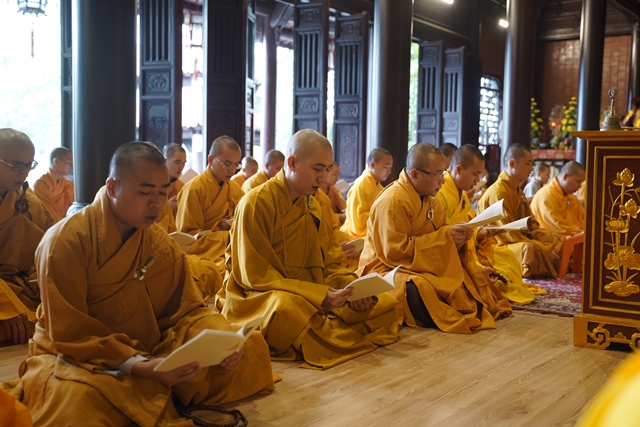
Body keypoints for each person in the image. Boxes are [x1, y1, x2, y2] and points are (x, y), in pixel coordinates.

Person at [5, 142, 274, 426]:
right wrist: (140, 366)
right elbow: (71, 333)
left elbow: (187, 309)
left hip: (150, 346)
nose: (156, 203)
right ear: (112, 187)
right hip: (80, 354)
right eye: (145, 192)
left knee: (251, 347)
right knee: (78, 401)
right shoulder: (65, 241)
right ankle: (153, 386)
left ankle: (155, 385)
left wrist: (222, 339)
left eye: (162, 192)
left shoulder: (158, 241)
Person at [217, 129, 398, 369]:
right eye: (317, 169)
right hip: (260, 294)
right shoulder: (255, 202)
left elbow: (330, 262)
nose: (323, 178)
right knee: (289, 309)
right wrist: (317, 295)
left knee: (383, 306)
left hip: (311, 288)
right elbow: (254, 276)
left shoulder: (312, 206)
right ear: (292, 163)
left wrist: (350, 288)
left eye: (327, 170)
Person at [357, 143, 512, 332]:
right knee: (421, 288)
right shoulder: (394, 200)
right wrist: (446, 237)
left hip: (420, 265)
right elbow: (394, 252)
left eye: (443, 173)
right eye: (437, 175)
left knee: (468, 277)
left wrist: (458, 238)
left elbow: (444, 236)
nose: (443, 181)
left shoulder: (431, 200)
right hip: (386, 269)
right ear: (415, 174)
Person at [435, 144, 543, 306]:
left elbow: (470, 228)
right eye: (475, 174)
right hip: (453, 256)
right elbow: (440, 236)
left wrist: (483, 233)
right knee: (493, 277)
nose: (478, 180)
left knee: (508, 260)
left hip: (470, 251)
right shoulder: (440, 193)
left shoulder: (461, 195)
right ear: (458, 169)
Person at [0, 129, 55, 345]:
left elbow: (54, 240)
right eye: (16, 166)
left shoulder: (26, 198)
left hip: (24, 286)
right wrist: (6, 306)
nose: (24, 173)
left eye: (29, 165)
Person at [478, 144, 563, 278]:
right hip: (498, 246)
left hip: (519, 238)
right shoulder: (498, 192)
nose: (532, 168)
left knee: (556, 239)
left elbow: (530, 223)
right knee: (530, 249)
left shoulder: (518, 191)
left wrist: (542, 238)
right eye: (528, 163)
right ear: (512, 164)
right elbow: (507, 234)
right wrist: (542, 248)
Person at [175, 136, 244, 275]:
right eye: (227, 164)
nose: (232, 170)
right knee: (228, 271)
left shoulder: (233, 188)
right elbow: (188, 239)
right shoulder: (194, 189)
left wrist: (231, 225)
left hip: (229, 248)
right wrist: (226, 237)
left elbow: (245, 217)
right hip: (203, 255)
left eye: (236, 165)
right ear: (211, 160)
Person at [341, 148, 393, 238]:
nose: (389, 171)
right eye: (386, 167)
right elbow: (358, 224)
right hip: (353, 237)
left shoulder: (380, 188)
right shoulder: (360, 187)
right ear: (372, 165)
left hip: (370, 234)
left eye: (390, 168)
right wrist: (382, 215)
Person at [531, 160, 585, 237]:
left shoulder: (570, 197)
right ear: (565, 177)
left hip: (573, 237)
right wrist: (581, 232)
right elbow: (557, 228)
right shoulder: (547, 196)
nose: (580, 186)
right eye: (578, 182)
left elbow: (583, 219)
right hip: (551, 240)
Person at [32, 147, 74, 222]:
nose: (72, 166)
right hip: (49, 227)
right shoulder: (40, 185)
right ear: (56, 161)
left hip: (67, 224)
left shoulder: (69, 185)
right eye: (69, 162)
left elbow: (74, 211)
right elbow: (47, 213)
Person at [163, 143, 187, 217]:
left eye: (183, 163)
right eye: (177, 162)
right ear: (165, 161)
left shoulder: (182, 186)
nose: (181, 167)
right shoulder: (153, 185)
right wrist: (168, 207)